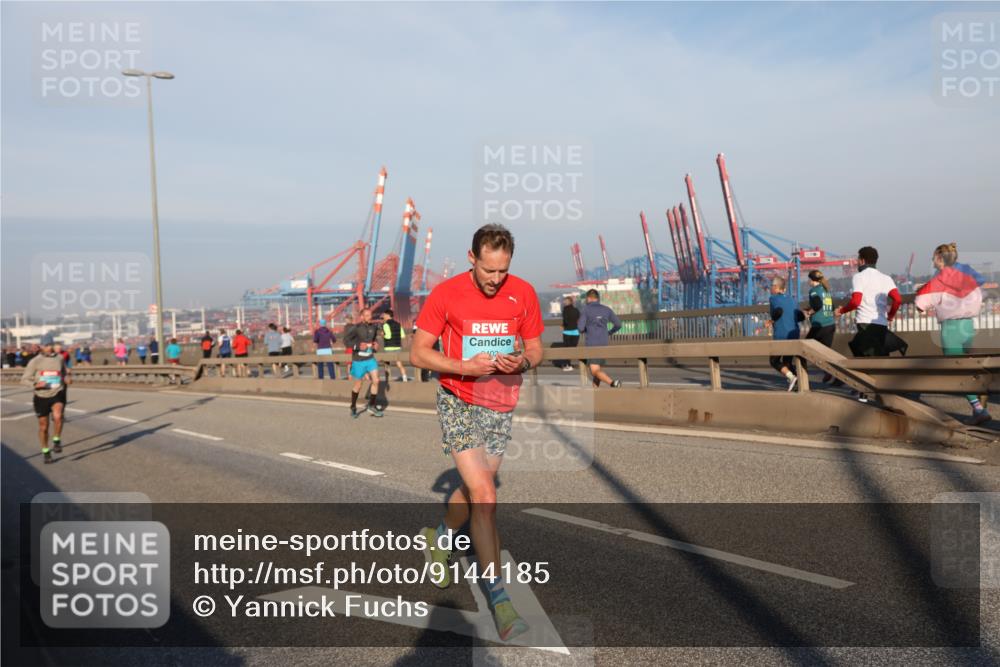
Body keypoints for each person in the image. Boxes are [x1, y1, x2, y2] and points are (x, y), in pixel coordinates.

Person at [410, 223, 543, 642]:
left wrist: (520, 361)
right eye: (488, 271)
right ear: (472, 258)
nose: (495, 280)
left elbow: (537, 348)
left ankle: (442, 535)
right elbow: (418, 352)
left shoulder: (523, 293)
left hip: (500, 402)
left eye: (502, 271)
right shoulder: (446, 294)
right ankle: (500, 601)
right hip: (458, 399)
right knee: (486, 496)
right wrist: (465, 367)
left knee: (471, 494)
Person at [915, 243, 991, 425]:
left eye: (934, 257)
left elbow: (920, 304)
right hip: (970, 325)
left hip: (951, 329)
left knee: (957, 370)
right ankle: (982, 406)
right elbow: (981, 284)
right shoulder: (968, 274)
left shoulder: (938, 280)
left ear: (940, 259)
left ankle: (978, 409)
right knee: (975, 368)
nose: (932, 261)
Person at [835, 246, 902, 401]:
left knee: (863, 358)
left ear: (862, 260)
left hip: (865, 323)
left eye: (858, 259)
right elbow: (897, 300)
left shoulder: (859, 277)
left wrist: (842, 311)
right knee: (877, 358)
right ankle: (880, 395)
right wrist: (890, 316)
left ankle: (864, 394)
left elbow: (856, 301)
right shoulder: (886, 278)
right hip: (881, 324)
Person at [21, 335, 69, 464]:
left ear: (52, 345)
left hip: (56, 392)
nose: (47, 348)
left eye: (49, 345)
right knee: (44, 426)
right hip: (41, 396)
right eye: (45, 345)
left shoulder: (59, 358)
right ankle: (46, 451)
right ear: (41, 346)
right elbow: (24, 380)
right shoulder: (35, 361)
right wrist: (36, 385)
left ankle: (56, 440)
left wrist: (66, 378)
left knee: (58, 416)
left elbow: (63, 373)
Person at [578, 288, 623, 388]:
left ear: (588, 298)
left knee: (594, 371)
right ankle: (596, 394)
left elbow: (580, 328)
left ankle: (613, 383)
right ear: (597, 298)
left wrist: (586, 329)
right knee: (597, 369)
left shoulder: (586, 309)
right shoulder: (606, 309)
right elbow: (618, 324)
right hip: (604, 342)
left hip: (592, 343)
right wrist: (609, 332)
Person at [767, 276, 805, 392]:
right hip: (794, 333)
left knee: (774, 360)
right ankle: (800, 382)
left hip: (782, 335)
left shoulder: (773, 298)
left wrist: (771, 320)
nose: (770, 289)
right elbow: (800, 316)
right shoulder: (792, 299)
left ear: (776, 287)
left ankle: (792, 377)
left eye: (771, 286)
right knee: (787, 362)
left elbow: (778, 311)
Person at [344, 309, 383, 418]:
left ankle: (371, 405)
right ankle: (353, 407)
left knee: (376, 380)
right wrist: (357, 346)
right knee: (358, 385)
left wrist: (376, 344)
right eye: (366, 315)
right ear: (361, 317)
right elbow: (346, 341)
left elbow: (374, 340)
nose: (369, 317)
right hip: (358, 360)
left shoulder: (373, 327)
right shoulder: (355, 328)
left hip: (370, 358)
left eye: (370, 315)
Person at [803, 269, 837, 384]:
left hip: (819, 326)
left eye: (809, 279)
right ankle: (830, 371)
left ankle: (801, 377)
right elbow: (831, 307)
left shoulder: (813, 291)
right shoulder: (826, 290)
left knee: (804, 349)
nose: (808, 281)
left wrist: (808, 312)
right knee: (826, 352)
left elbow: (817, 305)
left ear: (812, 280)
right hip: (830, 324)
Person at [380, 309, 409, 382]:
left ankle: (388, 380)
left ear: (387, 315)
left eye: (384, 315)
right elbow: (403, 336)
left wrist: (382, 335)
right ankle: (405, 379)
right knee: (399, 363)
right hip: (397, 346)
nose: (383, 316)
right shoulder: (398, 324)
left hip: (389, 347)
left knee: (387, 364)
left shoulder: (386, 324)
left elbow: (388, 336)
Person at [556, 295, 581, 371]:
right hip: (576, 332)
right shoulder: (576, 310)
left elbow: (566, 321)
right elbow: (579, 319)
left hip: (567, 332)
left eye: (565, 301)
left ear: (568, 302)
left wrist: (563, 325)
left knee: (567, 349)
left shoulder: (565, 310)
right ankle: (570, 364)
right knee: (572, 349)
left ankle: (567, 365)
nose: (564, 302)